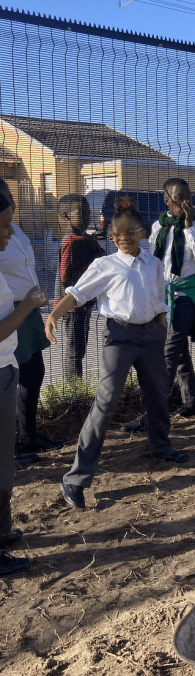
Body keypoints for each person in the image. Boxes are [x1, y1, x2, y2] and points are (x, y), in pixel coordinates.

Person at [46, 197, 188, 512]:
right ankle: (76, 477)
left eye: (129, 233)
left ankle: (160, 446)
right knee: (107, 401)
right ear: (111, 236)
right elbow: (76, 293)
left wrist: (162, 328)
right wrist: (54, 314)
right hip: (120, 336)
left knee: (157, 392)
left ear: (142, 233)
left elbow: (159, 298)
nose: (122, 238)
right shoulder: (106, 265)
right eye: (116, 234)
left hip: (151, 334)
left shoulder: (152, 263)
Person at [123, 178, 195, 430]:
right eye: (179, 197)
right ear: (167, 200)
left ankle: (153, 414)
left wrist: (190, 225)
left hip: (185, 297)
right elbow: (154, 263)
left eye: (188, 196)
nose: (185, 202)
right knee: (179, 351)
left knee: (167, 354)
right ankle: (192, 403)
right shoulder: (158, 227)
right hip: (163, 298)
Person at [0, 191, 49, 576]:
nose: (9, 231)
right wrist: (29, 305)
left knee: (4, 464)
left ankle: (2, 532)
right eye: (3, 224)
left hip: (6, 364)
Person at [0, 180, 61, 462]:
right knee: (12, 376)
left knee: (33, 372)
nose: (9, 200)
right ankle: (13, 446)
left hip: (29, 310)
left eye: (9, 195)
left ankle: (28, 436)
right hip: (11, 311)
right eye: (3, 197)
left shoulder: (16, 229)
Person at [54, 193, 105, 381]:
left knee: (79, 348)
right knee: (74, 351)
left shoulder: (83, 237)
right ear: (66, 216)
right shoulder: (72, 241)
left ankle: (76, 388)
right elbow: (65, 276)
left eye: (88, 212)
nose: (87, 217)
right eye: (82, 213)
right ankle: (73, 392)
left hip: (82, 304)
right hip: (73, 306)